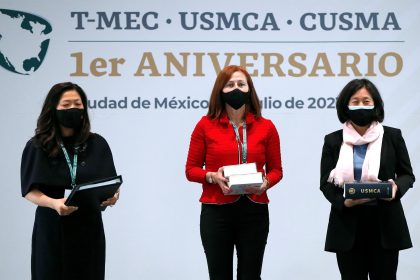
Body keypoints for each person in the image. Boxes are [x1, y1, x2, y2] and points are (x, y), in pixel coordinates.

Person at [185, 65, 283, 280]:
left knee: (251, 275)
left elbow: (277, 170)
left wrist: (266, 183)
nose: (236, 88)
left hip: (254, 211)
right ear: (220, 90)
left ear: (250, 90)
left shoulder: (266, 126)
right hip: (216, 212)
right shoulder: (204, 125)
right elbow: (191, 170)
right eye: (230, 85)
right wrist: (212, 176)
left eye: (241, 84)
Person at [20, 82, 120, 280]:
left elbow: (110, 182)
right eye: (66, 105)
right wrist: (53, 203)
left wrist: (113, 196)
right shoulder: (37, 146)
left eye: (77, 104)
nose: (73, 109)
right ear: (53, 109)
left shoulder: (97, 143)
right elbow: (29, 190)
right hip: (52, 225)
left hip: (88, 226)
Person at [320, 78, 415, 280]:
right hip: (347, 227)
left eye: (366, 101)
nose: (361, 106)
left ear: (376, 104)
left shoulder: (392, 136)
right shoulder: (333, 140)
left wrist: (396, 188)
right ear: (345, 105)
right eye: (355, 101)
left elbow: (407, 175)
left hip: (385, 225)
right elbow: (325, 184)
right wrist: (344, 201)